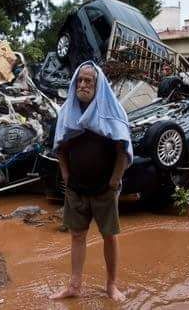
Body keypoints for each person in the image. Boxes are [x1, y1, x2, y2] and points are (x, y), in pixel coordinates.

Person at [50, 61, 133, 302]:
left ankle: (111, 286)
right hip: (76, 187)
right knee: (77, 235)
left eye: (89, 81)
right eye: (80, 80)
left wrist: (115, 181)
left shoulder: (112, 111)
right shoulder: (67, 111)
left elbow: (122, 149)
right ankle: (74, 286)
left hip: (104, 188)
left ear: (98, 86)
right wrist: (65, 174)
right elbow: (60, 146)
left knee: (109, 235)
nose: (84, 85)